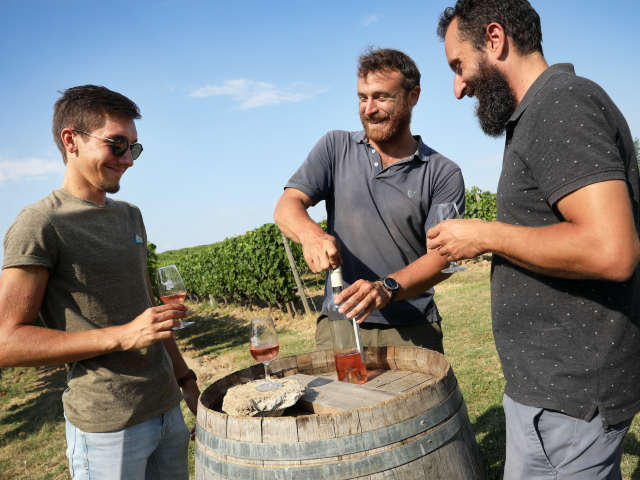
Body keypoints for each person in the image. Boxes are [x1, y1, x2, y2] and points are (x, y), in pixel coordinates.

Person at [432, 1, 640, 478]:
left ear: (495, 39)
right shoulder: (542, 112)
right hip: (558, 398)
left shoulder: (559, 106)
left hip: (568, 404)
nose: (459, 87)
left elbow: (613, 250)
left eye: (458, 66)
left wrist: (486, 235)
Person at [0, 85, 199, 480]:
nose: (128, 159)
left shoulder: (131, 216)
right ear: (71, 140)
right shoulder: (40, 224)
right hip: (108, 429)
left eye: (134, 148)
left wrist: (186, 380)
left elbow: (149, 313)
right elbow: (7, 341)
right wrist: (122, 335)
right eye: (117, 144)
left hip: (166, 410)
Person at [274, 48, 465, 354]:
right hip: (340, 324)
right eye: (362, 97)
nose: (369, 108)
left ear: (413, 96)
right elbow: (287, 205)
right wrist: (310, 235)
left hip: (412, 328)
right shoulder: (335, 147)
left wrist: (386, 288)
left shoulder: (442, 173)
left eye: (381, 97)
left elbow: (445, 258)